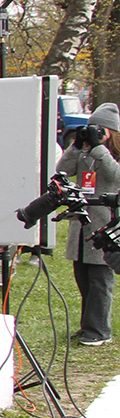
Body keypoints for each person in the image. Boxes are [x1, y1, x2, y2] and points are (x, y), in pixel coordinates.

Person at [59, 104, 120, 345]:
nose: (95, 132)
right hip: (83, 223)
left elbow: (115, 176)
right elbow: (62, 171)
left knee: (100, 280)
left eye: (100, 129)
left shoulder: (110, 153)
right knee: (83, 277)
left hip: (106, 223)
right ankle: (88, 326)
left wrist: (99, 148)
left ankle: (99, 330)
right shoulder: (85, 153)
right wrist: (76, 147)